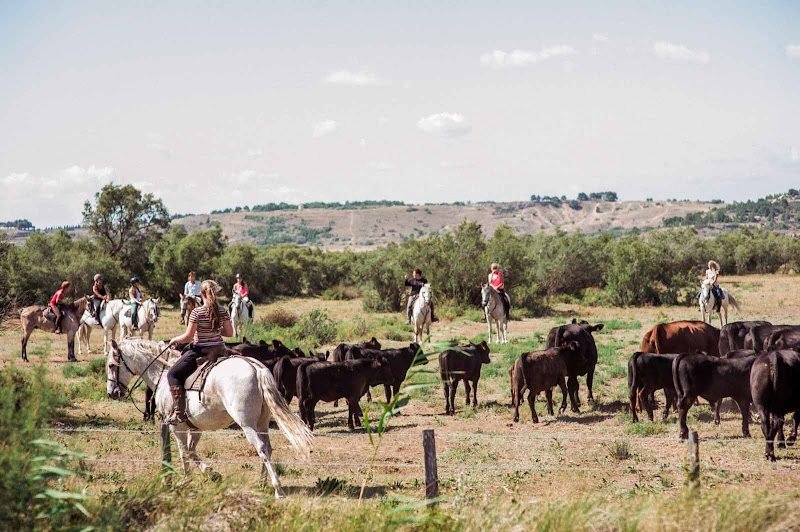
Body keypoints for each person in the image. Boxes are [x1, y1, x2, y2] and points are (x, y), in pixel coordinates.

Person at [166, 279, 234, 424]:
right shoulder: (223, 311)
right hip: (221, 350)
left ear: (201, 294)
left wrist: (174, 339)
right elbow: (229, 333)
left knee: (173, 374)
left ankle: (179, 412)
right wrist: (215, 329)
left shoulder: (197, 312)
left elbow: (188, 337)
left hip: (201, 351)